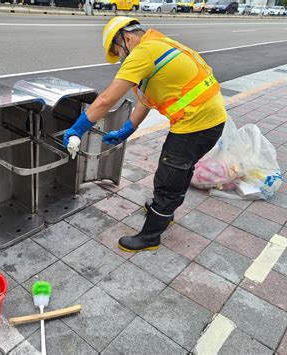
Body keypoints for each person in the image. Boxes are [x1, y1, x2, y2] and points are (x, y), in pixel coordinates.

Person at [63, 16, 227, 252]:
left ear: (126, 39)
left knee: (169, 176)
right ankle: (165, 212)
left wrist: (78, 129)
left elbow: (107, 99)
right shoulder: (159, 44)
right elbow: (148, 98)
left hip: (196, 125)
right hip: (208, 121)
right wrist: (126, 130)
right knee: (181, 170)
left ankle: (151, 235)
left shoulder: (142, 52)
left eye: (118, 51)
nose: (120, 57)